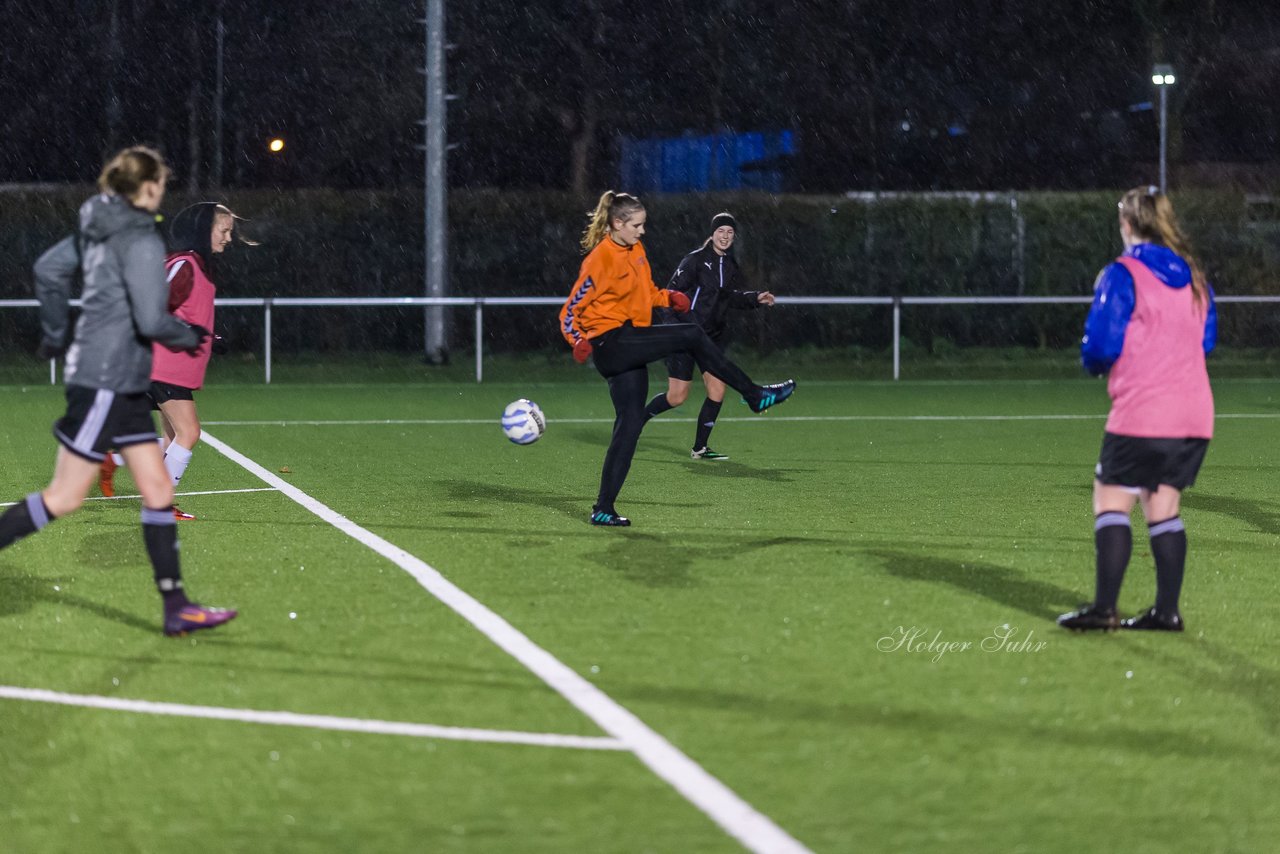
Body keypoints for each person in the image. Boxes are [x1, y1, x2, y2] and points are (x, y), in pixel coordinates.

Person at [0, 146, 237, 637]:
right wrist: (187, 336)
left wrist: (52, 329)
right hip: (107, 380)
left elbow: (48, 270)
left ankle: (177, 608)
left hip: (123, 379)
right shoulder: (142, 241)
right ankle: (176, 606)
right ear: (147, 188)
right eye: (161, 185)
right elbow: (152, 320)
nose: (163, 193)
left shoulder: (98, 229)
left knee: (157, 489)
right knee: (65, 497)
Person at [560, 191, 796, 527]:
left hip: (630, 343)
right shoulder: (600, 259)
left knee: (627, 429)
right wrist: (578, 340)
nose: (642, 231)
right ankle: (755, 394)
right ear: (617, 223)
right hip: (611, 343)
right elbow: (571, 310)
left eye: (643, 225)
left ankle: (603, 508)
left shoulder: (635, 250)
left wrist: (667, 296)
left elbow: (644, 293)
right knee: (691, 334)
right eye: (637, 225)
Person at [1058, 186, 1217, 633]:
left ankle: (1104, 609)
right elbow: (1206, 341)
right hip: (1194, 417)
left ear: (1127, 225)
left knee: (1111, 499)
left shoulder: (1122, 273)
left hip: (1144, 412)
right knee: (1163, 507)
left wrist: (1093, 361)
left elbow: (1102, 345)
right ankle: (1166, 612)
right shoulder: (1195, 276)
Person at [99, 202, 255, 520]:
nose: (228, 237)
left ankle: (112, 459)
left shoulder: (196, 266)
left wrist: (211, 338)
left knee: (173, 439)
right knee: (189, 433)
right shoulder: (184, 263)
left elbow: (183, 314)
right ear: (201, 230)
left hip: (174, 367)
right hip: (163, 366)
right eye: (223, 230)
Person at [643, 212, 776, 459]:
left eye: (730, 233)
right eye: (721, 231)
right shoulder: (694, 260)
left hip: (710, 338)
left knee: (717, 391)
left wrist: (754, 298)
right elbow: (668, 296)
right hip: (684, 335)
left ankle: (700, 448)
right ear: (712, 233)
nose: (725, 236)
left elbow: (730, 297)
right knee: (677, 397)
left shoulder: (731, 265)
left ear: (734, 237)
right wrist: (674, 329)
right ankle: (637, 421)